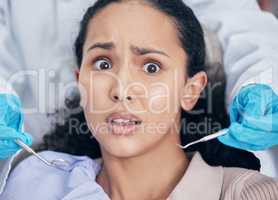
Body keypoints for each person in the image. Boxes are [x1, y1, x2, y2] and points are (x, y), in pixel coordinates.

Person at [1, 1, 278, 199]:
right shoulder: (31, 183)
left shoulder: (249, 193)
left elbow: (238, 21)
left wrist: (262, 80)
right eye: (102, 63)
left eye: (151, 67)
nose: (121, 91)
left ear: (191, 90)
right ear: (79, 81)